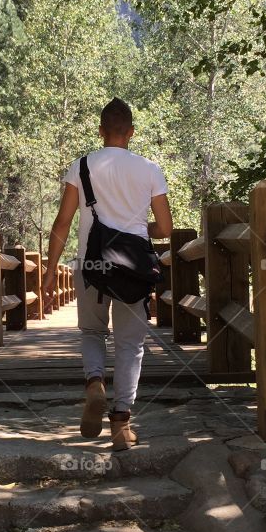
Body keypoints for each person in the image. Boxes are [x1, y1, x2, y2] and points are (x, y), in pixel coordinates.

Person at [42, 98, 172, 451]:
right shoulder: (150, 169)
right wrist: (139, 229)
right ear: (130, 132)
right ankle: (120, 425)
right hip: (133, 270)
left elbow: (63, 222)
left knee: (92, 333)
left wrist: (51, 270)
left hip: (91, 266)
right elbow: (166, 228)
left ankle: (95, 383)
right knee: (130, 345)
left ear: (100, 131)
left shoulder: (81, 166)